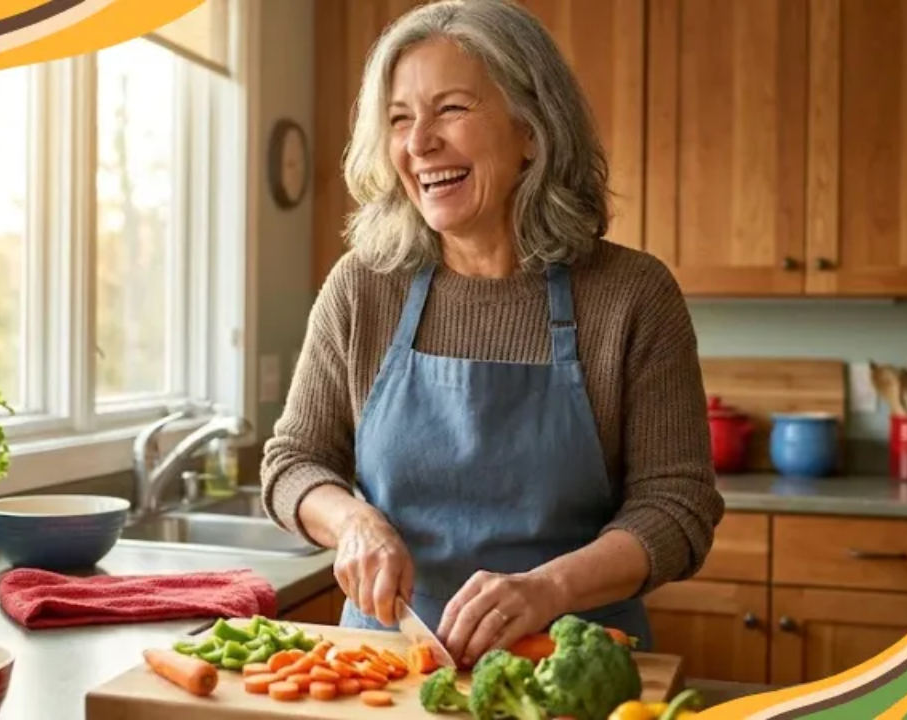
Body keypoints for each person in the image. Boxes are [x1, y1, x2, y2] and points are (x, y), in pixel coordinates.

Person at [260, 0, 724, 667]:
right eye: (399, 119)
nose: (419, 143)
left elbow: (678, 506)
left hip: (566, 671)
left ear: (531, 129)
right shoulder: (363, 288)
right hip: (387, 669)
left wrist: (548, 590)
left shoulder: (631, 296)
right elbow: (291, 463)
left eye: (451, 108)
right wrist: (354, 523)